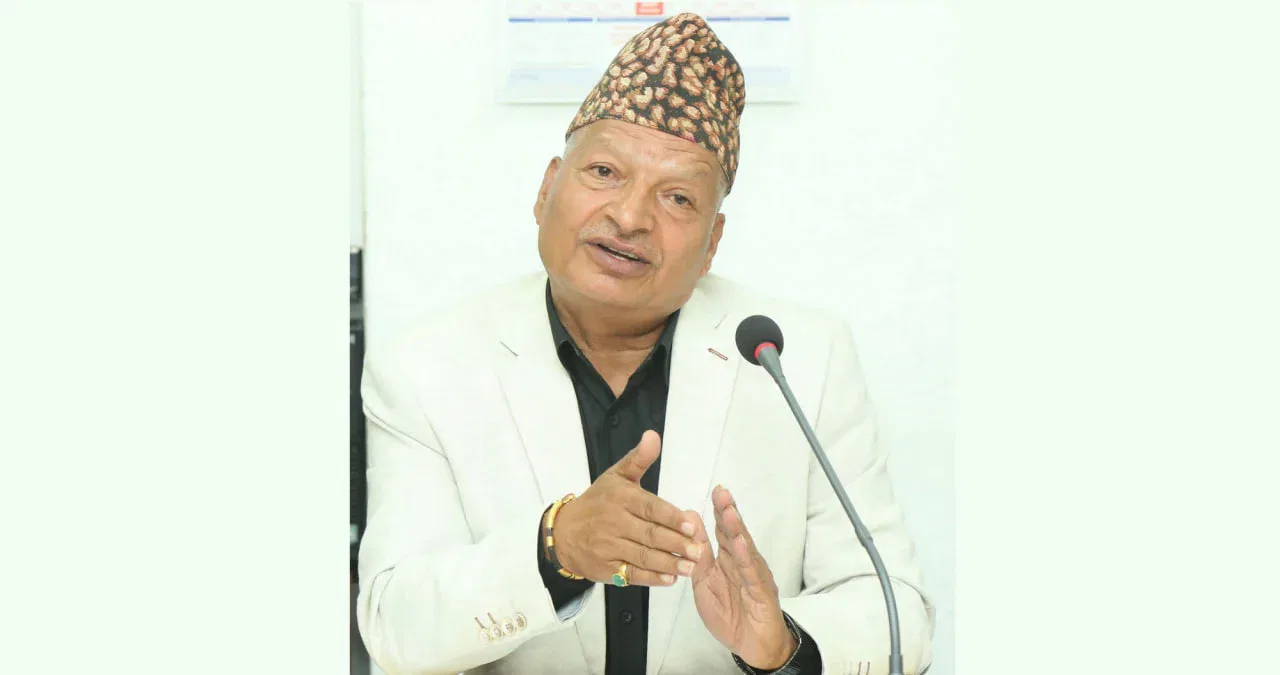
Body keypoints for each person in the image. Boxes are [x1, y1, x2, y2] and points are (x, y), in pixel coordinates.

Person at [356, 13, 934, 675]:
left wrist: (783, 645)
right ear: (546, 190)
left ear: (712, 243)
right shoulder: (426, 368)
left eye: (677, 198)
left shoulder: (799, 358)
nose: (630, 217)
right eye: (604, 171)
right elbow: (395, 629)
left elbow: (898, 617)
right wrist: (555, 550)